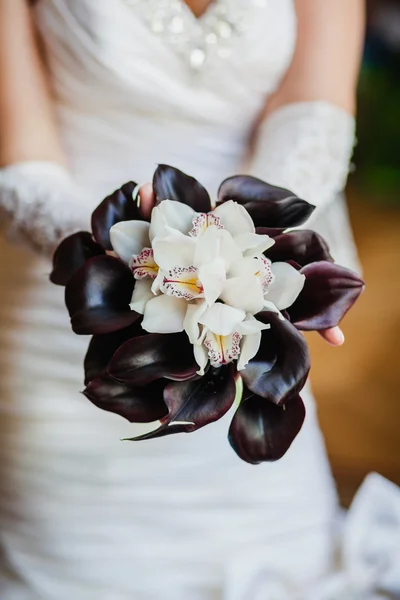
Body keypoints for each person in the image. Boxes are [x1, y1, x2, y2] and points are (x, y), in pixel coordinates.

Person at [0, 1, 398, 599]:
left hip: (241, 331)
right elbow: (24, 170)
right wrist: (141, 264)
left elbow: (313, 119)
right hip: (70, 337)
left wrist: (248, 274)